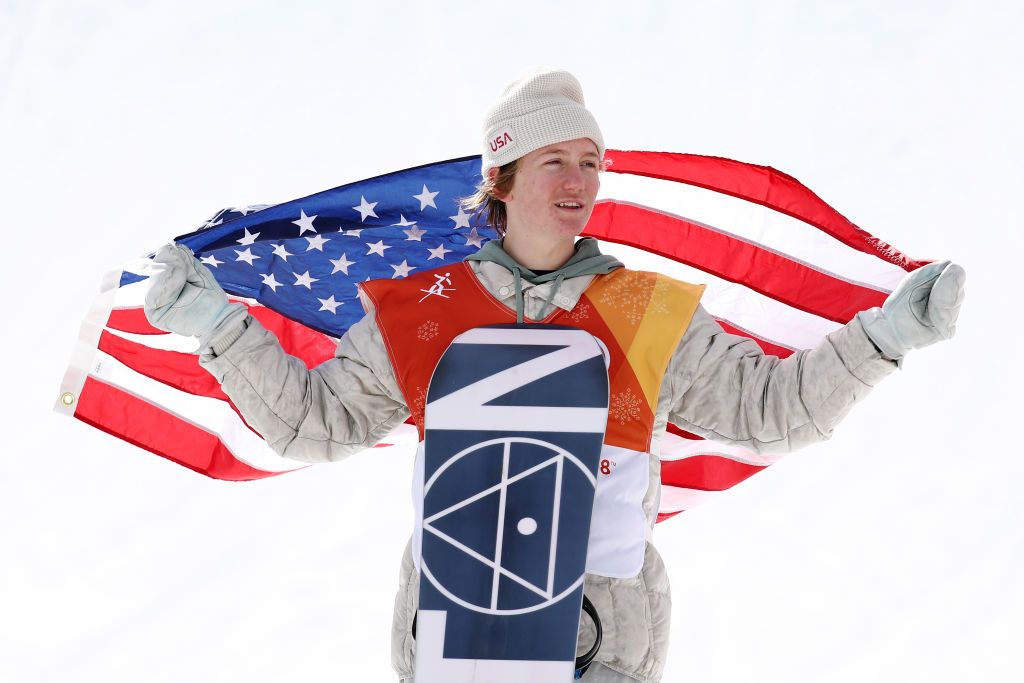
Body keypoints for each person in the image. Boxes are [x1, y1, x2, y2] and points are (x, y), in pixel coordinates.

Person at [144, 67, 965, 683]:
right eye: (556, 162)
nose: (581, 183)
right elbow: (317, 424)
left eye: (591, 162)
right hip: (456, 628)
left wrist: (887, 335)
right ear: (499, 180)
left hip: (601, 635)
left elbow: (771, 410)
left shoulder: (645, 310)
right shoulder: (425, 306)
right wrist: (219, 327)